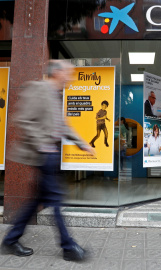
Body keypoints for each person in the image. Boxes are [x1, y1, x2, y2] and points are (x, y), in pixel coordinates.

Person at [1, 60, 96, 262]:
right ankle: (68, 247)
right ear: (58, 72)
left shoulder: (56, 95)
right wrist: (42, 144)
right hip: (43, 154)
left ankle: (10, 240)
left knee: (37, 200)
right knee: (55, 199)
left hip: (51, 155)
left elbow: (63, 127)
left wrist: (83, 144)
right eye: (68, 73)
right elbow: (23, 120)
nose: (70, 77)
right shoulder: (39, 89)